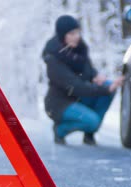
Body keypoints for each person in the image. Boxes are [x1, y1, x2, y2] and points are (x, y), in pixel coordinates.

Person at [42, 15, 124, 145]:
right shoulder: (53, 58)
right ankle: (60, 130)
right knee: (93, 119)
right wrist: (106, 89)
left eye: (78, 32)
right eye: (72, 33)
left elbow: (88, 69)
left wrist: (96, 76)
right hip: (59, 103)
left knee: (108, 88)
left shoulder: (79, 50)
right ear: (63, 35)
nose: (77, 36)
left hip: (77, 98)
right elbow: (76, 85)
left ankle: (89, 133)